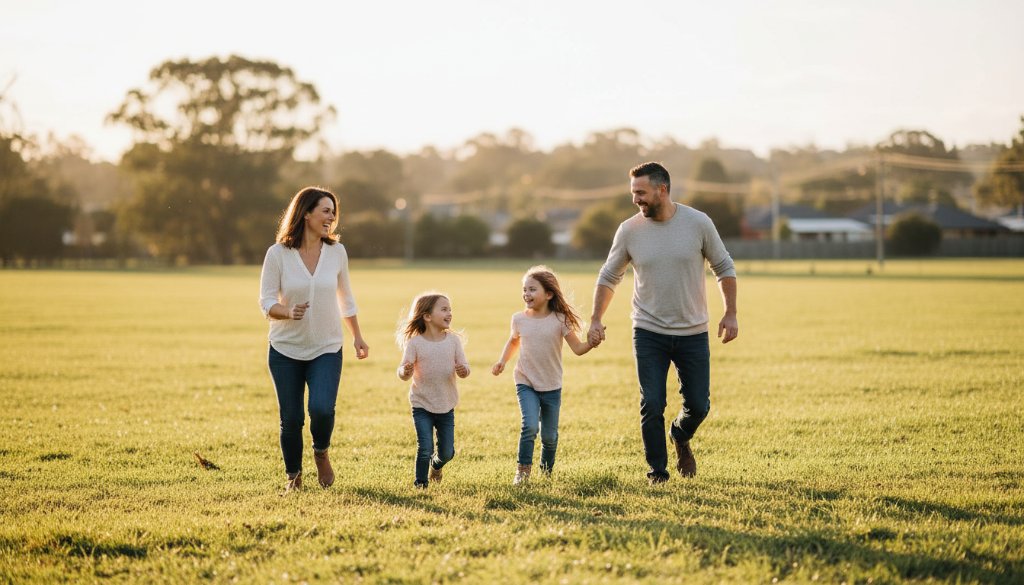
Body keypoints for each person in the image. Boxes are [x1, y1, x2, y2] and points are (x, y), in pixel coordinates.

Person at [587, 162, 738, 484]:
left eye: (641, 192)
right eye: (633, 193)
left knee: (698, 405)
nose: (635, 199)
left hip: (693, 331)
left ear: (662, 189)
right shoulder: (629, 230)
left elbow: (724, 266)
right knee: (652, 403)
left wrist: (731, 312)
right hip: (648, 330)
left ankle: (680, 436)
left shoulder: (698, 223)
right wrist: (596, 319)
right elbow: (609, 276)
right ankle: (658, 471)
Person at [259, 186, 369, 493]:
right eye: (325, 210)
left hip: (327, 347)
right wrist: (287, 311)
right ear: (305, 213)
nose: (331, 217)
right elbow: (266, 301)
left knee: (322, 409)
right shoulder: (278, 254)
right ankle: (293, 478)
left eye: (333, 212)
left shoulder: (337, 252)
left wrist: (357, 337)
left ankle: (321, 451)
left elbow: (346, 298)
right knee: (291, 419)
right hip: (285, 349)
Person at [492, 266, 598, 485]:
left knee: (549, 437)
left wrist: (591, 343)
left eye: (532, 289)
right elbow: (513, 341)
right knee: (529, 426)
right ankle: (522, 472)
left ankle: (546, 472)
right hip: (525, 381)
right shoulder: (519, 319)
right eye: (524, 289)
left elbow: (577, 349)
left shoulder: (560, 320)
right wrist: (502, 361)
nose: (526, 294)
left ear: (549, 294)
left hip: (551, 385)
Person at [397, 292, 470, 489]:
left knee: (447, 452)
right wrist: (405, 370)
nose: (450, 313)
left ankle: (436, 466)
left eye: (450, 309)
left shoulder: (453, 341)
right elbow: (402, 373)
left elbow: (464, 368)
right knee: (425, 447)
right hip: (421, 404)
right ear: (427, 316)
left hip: (446, 404)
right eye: (444, 309)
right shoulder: (415, 343)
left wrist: (463, 370)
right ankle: (421, 484)